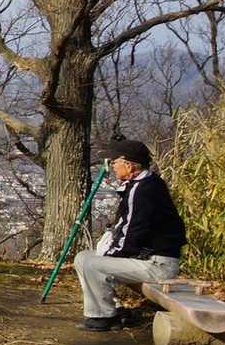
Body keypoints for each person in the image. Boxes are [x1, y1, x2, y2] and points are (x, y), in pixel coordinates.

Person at [72, 138, 186, 332]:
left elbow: (132, 233)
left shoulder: (142, 190)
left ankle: (103, 317)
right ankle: (112, 308)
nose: (112, 166)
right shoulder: (144, 184)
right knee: (83, 258)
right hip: (147, 258)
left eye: (114, 162)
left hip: (158, 265)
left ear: (129, 164)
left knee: (92, 264)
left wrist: (109, 254)